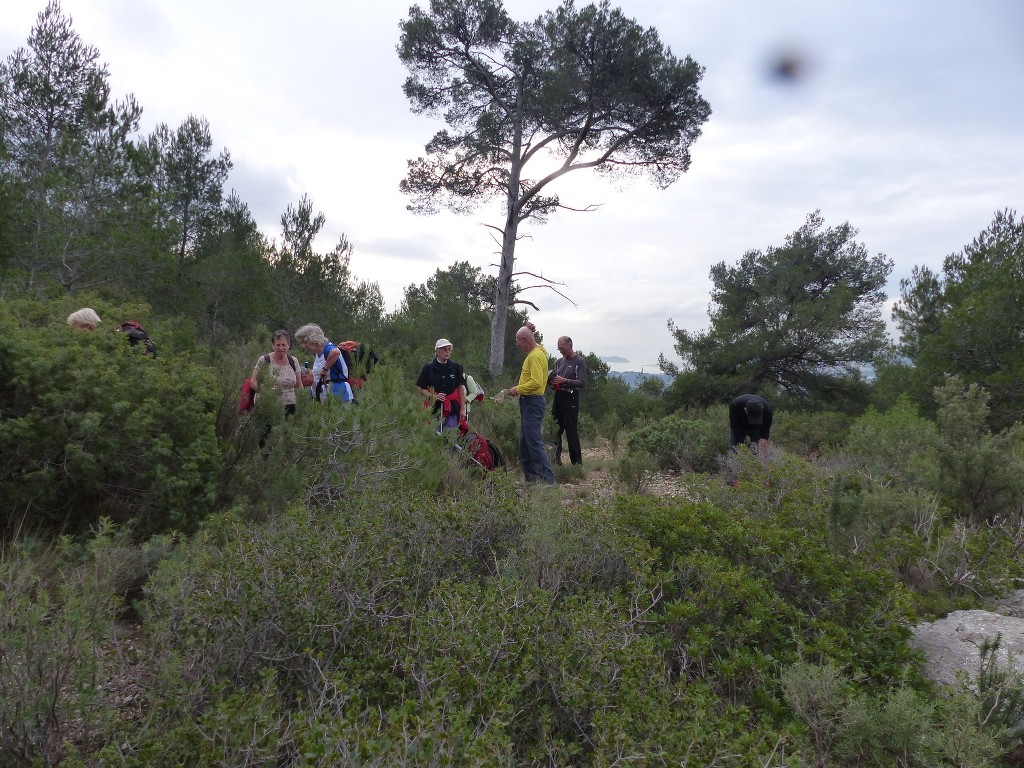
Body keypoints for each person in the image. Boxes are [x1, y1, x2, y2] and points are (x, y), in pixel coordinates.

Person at [501, 325, 556, 484]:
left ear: (525, 340)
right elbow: (534, 341)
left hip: (533, 402)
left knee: (534, 442)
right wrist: (527, 328)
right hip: (529, 403)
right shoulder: (539, 350)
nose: (517, 345)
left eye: (519, 341)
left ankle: (548, 481)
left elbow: (537, 382)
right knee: (525, 443)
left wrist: (516, 389)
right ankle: (531, 479)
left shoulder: (535, 356)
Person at [251, 329, 303, 449]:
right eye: (277, 345)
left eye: (283, 345)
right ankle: (265, 463)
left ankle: (284, 463)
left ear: (288, 345)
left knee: (287, 436)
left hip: (289, 404)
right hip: (268, 405)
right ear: (272, 345)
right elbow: (253, 382)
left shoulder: (293, 361)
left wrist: (302, 402)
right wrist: (263, 389)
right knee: (265, 437)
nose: (281, 348)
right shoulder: (264, 360)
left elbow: (299, 385)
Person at [549, 335, 587, 466]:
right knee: (554, 430)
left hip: (571, 398)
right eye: (559, 349)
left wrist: (564, 381)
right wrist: (553, 382)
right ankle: (555, 461)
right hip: (558, 397)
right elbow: (556, 378)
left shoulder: (579, 361)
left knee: (571, 431)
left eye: (563, 348)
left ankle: (576, 464)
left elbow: (582, 382)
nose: (561, 351)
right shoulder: (559, 361)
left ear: (570, 346)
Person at [295, 323, 355, 403]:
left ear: (313, 340)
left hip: (339, 394)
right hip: (327, 396)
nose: (304, 346)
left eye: (305, 342)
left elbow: (335, 352)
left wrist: (325, 369)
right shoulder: (319, 354)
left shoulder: (328, 348)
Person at [416, 338, 467, 431]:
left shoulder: (455, 367)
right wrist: (434, 396)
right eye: (444, 349)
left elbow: (460, 388)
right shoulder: (428, 368)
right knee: (433, 435)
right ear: (437, 351)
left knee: (450, 436)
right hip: (433, 408)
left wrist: (462, 409)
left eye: (449, 349)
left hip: (452, 408)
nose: (447, 352)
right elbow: (421, 389)